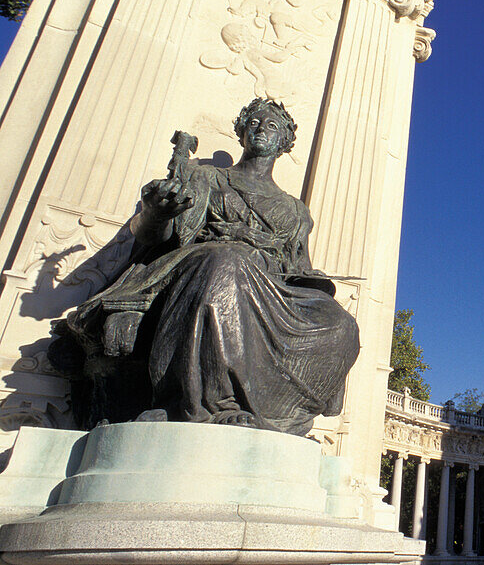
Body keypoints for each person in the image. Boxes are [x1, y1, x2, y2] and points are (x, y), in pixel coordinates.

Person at [56, 99, 359, 435]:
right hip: (203, 262)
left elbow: (298, 268)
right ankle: (208, 404)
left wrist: (313, 281)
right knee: (227, 263)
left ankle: (286, 415)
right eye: (254, 122)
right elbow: (157, 237)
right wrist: (155, 212)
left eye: (272, 126)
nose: (261, 128)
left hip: (269, 283)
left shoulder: (295, 211)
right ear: (242, 132)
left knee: (339, 320)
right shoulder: (206, 178)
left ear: (285, 143)